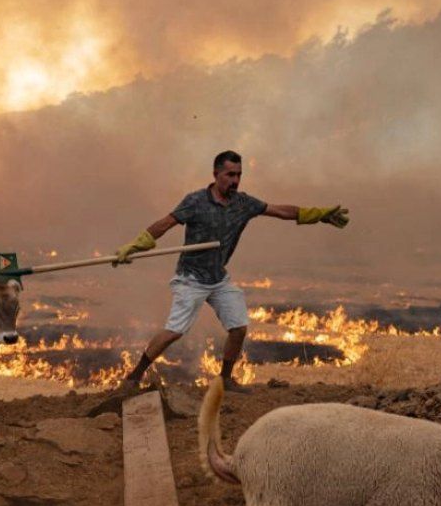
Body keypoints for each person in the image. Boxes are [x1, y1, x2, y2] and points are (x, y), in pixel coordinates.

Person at [113, 150, 348, 393]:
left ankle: (225, 379)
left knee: (238, 328)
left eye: (239, 175)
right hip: (191, 278)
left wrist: (318, 215)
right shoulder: (195, 201)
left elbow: (279, 211)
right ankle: (134, 377)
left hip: (218, 278)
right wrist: (138, 243)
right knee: (174, 331)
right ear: (216, 175)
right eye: (230, 175)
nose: (235, 180)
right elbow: (166, 223)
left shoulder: (243, 203)